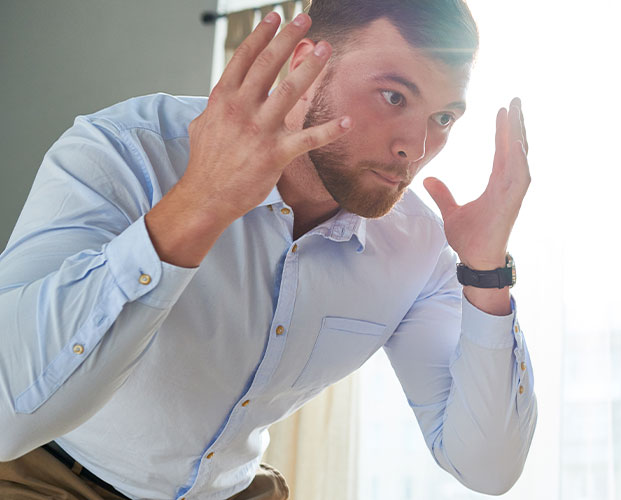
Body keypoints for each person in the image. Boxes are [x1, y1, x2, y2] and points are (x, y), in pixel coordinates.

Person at [0, 0, 537, 498]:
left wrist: (486, 272)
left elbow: (486, 468)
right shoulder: (126, 151)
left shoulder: (420, 248)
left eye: (443, 118)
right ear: (307, 66)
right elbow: (8, 413)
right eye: (393, 96)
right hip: (46, 474)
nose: (414, 149)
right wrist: (200, 203)